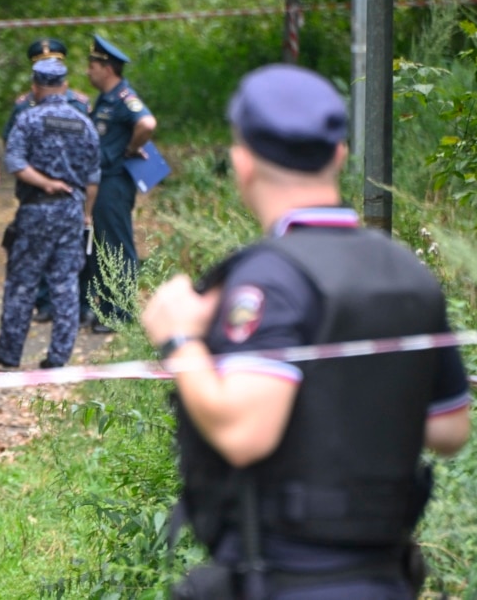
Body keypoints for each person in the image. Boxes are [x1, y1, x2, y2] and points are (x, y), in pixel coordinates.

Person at [141, 64, 471, 599]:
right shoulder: (405, 270)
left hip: (286, 578)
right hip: (385, 578)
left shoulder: (271, 279)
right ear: (339, 156)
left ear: (242, 162)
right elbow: (450, 430)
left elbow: (247, 434)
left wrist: (180, 340)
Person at [0, 59, 100, 369]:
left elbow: (16, 163)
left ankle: (9, 352)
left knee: (22, 281)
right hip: (71, 210)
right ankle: (59, 357)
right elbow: (94, 176)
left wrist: (47, 183)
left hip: (37, 210)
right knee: (66, 282)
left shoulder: (28, 120)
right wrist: (86, 214)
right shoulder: (84, 123)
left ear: (35, 87)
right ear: (65, 86)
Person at [2, 38, 92, 324]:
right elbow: (12, 145)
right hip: (35, 193)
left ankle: (77, 307)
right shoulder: (23, 107)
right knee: (32, 256)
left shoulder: (80, 104)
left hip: (70, 194)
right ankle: (44, 304)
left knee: (70, 259)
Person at [80, 34, 157, 333]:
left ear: (107, 68)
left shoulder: (125, 97)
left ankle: (120, 313)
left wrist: (129, 149)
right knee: (104, 246)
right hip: (102, 182)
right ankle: (108, 309)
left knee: (117, 245)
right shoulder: (106, 99)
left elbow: (147, 123)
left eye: (92, 65)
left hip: (114, 182)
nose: (88, 71)